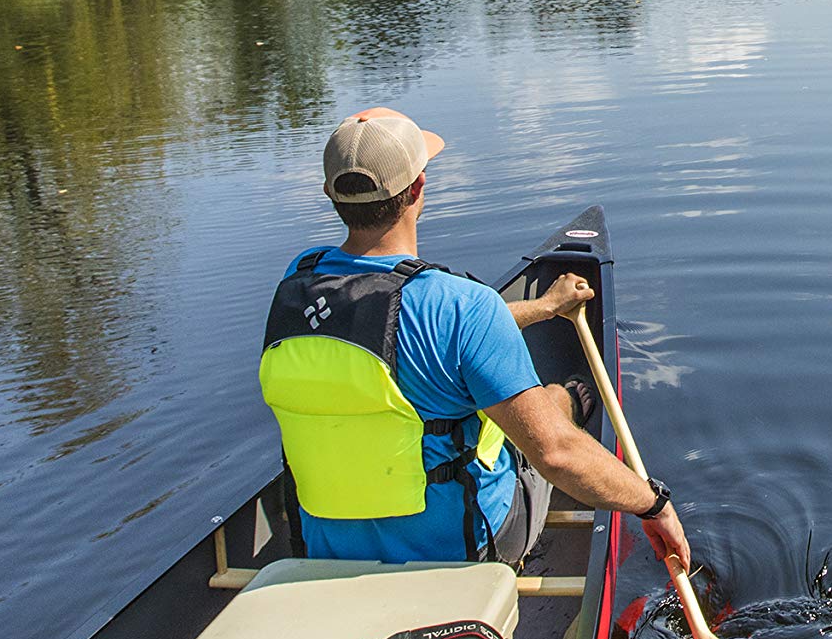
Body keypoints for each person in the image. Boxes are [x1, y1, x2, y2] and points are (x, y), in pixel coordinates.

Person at [259, 107, 688, 572]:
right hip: (462, 550)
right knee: (539, 420)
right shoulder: (462, 306)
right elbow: (555, 455)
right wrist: (654, 504)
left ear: (330, 193)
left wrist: (543, 308)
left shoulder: (298, 282)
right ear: (419, 188)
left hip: (327, 547)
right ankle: (565, 401)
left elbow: (392, 318)